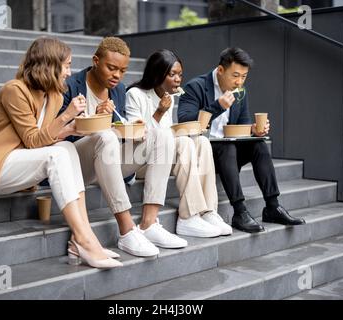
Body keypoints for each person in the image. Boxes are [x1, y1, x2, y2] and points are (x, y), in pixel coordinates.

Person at [0, 37, 122, 269]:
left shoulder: (53, 95)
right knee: (56, 155)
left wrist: (71, 127)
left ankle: (82, 238)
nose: (69, 72)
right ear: (50, 64)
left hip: (20, 161)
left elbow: (49, 137)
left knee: (66, 148)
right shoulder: (14, 90)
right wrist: (66, 117)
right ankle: (84, 239)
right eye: (66, 65)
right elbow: (34, 140)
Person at [60, 37, 187, 257]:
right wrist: (95, 120)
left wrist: (133, 131)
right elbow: (56, 138)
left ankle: (148, 223)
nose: (117, 75)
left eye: (123, 71)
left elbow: (119, 132)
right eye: (111, 68)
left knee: (161, 134)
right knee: (106, 136)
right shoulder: (70, 86)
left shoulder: (118, 91)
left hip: (108, 163)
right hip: (76, 164)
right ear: (96, 61)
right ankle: (127, 230)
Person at [177, 47, 305, 233]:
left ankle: (272, 206)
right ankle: (239, 211)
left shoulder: (239, 92)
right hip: (202, 154)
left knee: (259, 145)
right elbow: (184, 121)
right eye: (235, 75)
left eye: (244, 76)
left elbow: (241, 127)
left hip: (228, 155)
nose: (239, 82)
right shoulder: (195, 87)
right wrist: (217, 107)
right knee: (226, 147)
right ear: (220, 70)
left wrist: (253, 130)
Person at [125, 49, 232, 237]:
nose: (178, 79)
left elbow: (168, 133)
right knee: (184, 143)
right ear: (157, 74)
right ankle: (188, 217)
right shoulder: (135, 94)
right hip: (138, 159)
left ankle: (207, 211)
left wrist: (190, 131)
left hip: (163, 155)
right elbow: (136, 135)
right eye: (172, 74)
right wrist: (158, 112)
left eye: (180, 75)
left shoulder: (169, 97)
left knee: (201, 142)